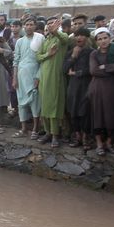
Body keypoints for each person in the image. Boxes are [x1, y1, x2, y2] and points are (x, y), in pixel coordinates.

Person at [87, 27, 114, 155]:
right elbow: (94, 71)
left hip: (113, 89)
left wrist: (105, 67)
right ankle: (99, 144)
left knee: (112, 116)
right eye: (100, 39)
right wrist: (113, 68)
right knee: (98, 115)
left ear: (110, 38)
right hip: (97, 89)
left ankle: (109, 142)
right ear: (96, 41)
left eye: (105, 38)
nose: (103, 41)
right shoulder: (94, 54)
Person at [36, 18, 69, 146]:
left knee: (54, 108)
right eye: (48, 24)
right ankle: (47, 133)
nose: (50, 26)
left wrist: (56, 32)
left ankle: (55, 135)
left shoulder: (62, 38)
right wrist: (48, 54)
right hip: (44, 78)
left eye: (52, 23)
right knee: (44, 107)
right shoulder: (45, 41)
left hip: (56, 78)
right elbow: (38, 57)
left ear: (58, 25)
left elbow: (65, 40)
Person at [13, 17, 43, 139]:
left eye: (31, 24)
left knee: (35, 102)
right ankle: (24, 129)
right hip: (21, 76)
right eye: (27, 24)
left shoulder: (40, 39)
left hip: (34, 74)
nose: (29, 27)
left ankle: (35, 129)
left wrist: (38, 76)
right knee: (21, 103)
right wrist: (14, 78)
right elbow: (16, 60)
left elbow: (42, 60)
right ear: (24, 27)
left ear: (35, 26)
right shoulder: (20, 41)